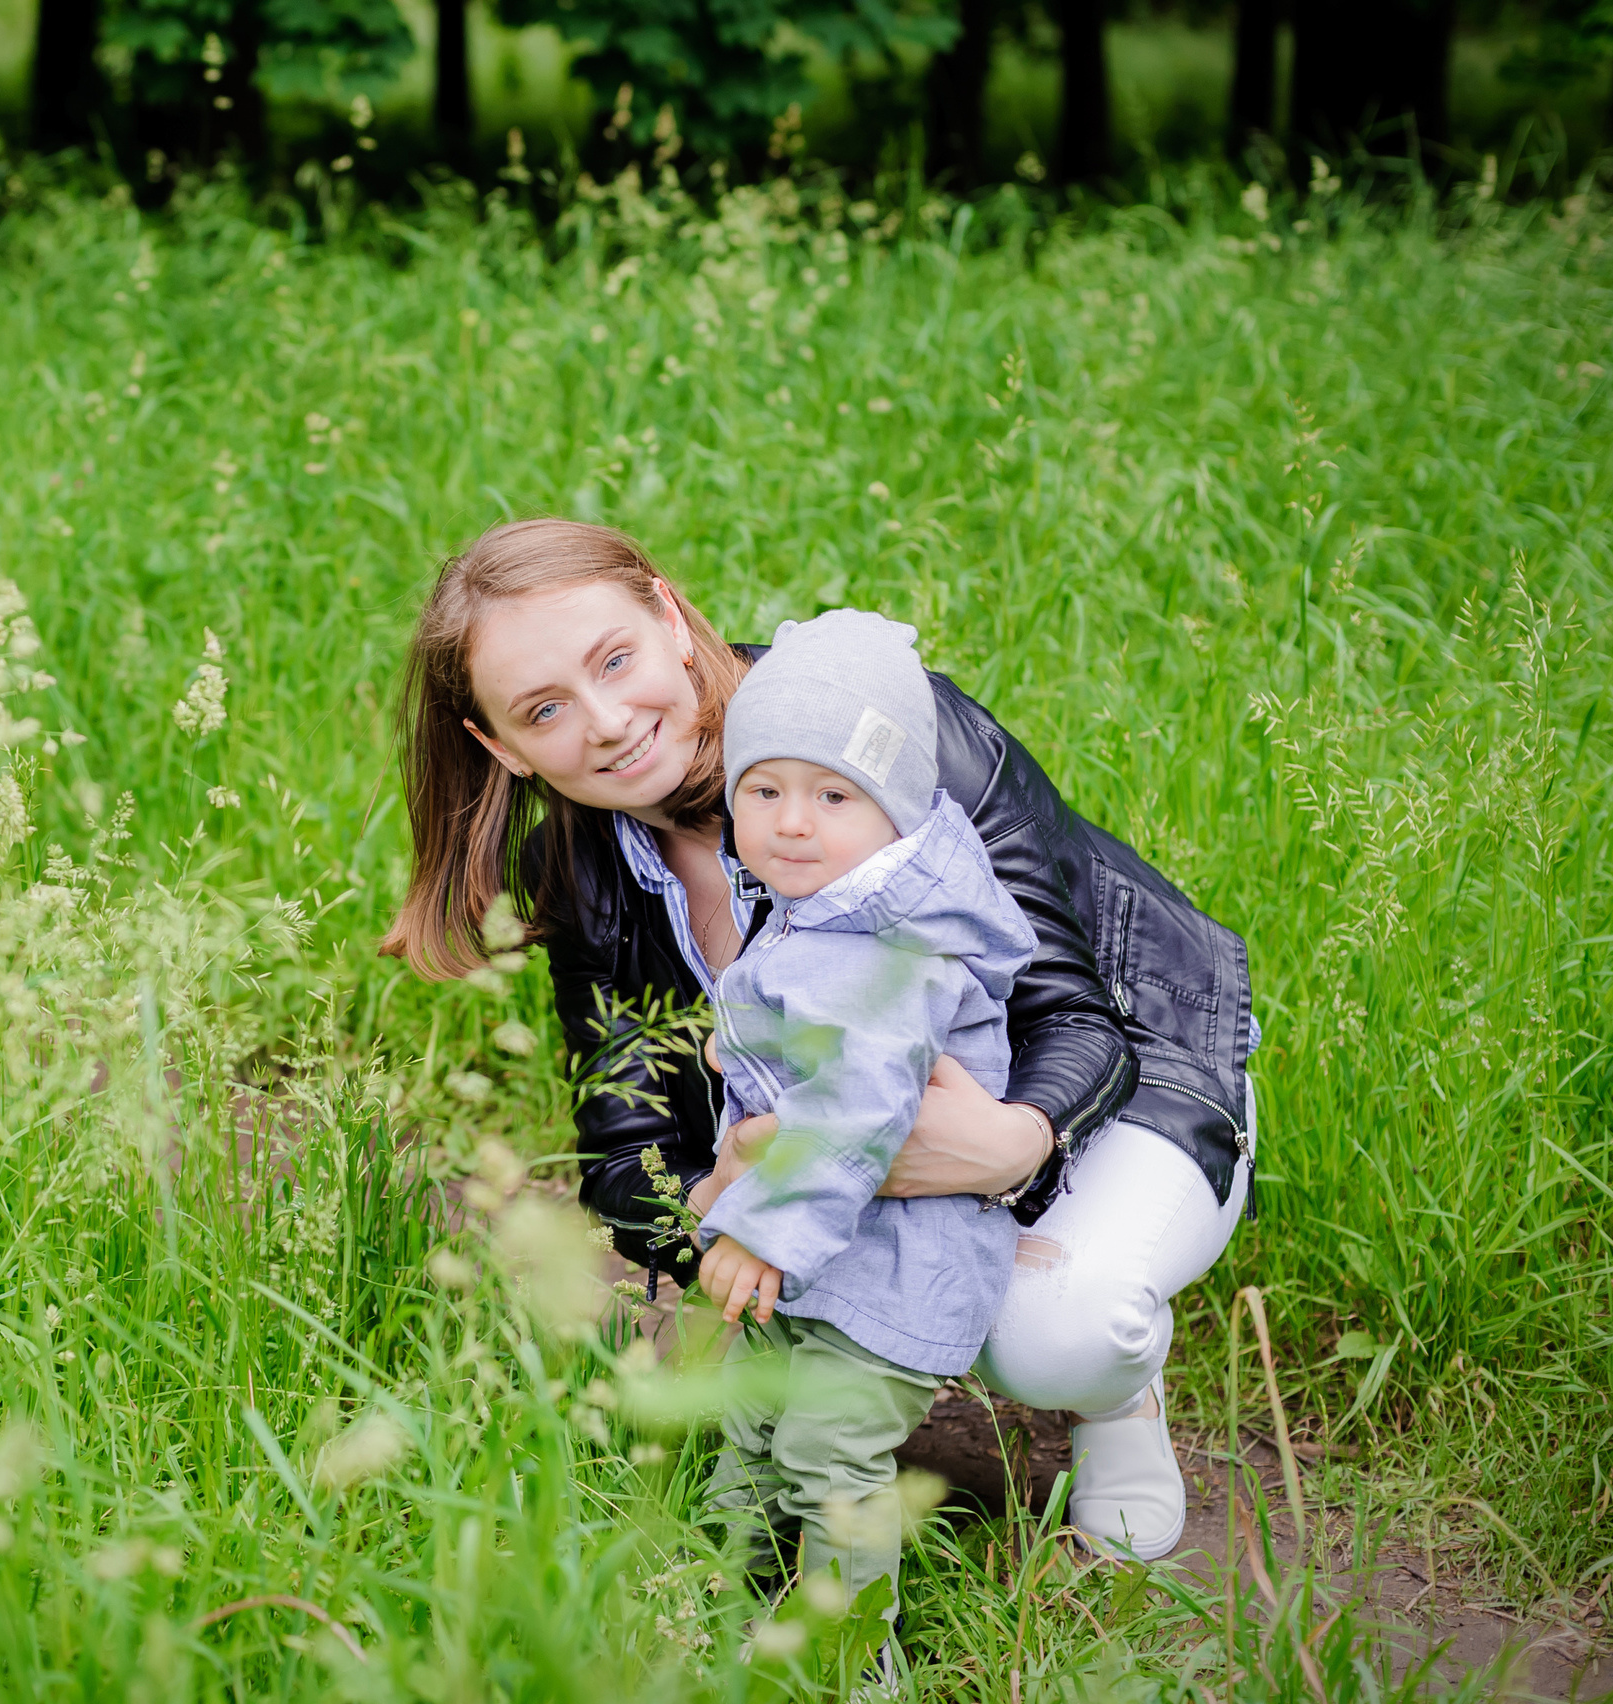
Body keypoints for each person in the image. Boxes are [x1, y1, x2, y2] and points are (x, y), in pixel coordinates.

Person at [382, 519, 1256, 1561]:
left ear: (669, 619)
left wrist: (1015, 1145)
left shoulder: (865, 720)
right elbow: (624, 1154)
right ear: (501, 747)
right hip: (849, 1148)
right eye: (544, 709)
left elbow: (1071, 1012)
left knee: (1054, 1331)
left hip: (1116, 1071)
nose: (607, 723)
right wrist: (720, 1204)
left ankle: (1117, 1401)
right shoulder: (578, 870)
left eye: (613, 660)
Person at [693, 608, 1036, 1639]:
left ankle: (847, 1655)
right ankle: (714, 1604)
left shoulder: (896, 942)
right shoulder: (834, 903)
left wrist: (761, 1226)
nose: (792, 823)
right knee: (750, 1422)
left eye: (833, 795)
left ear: (896, 810)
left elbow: (861, 1099)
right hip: (829, 1254)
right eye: (764, 791)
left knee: (826, 1454)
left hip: (895, 1263)